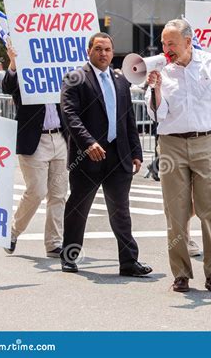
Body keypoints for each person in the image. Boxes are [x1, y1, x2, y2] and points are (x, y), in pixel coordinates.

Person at [146, 19, 211, 293]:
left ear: (188, 41)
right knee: (174, 212)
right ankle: (181, 274)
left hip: (208, 142)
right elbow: (157, 114)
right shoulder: (160, 69)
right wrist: (155, 88)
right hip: (171, 145)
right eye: (164, 43)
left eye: (171, 43)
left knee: (209, 209)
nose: (167, 48)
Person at [60, 32, 152, 277]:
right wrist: (88, 143)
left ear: (113, 52)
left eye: (108, 50)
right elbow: (70, 115)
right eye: (98, 49)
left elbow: (128, 119)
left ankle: (129, 262)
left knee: (121, 211)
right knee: (79, 208)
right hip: (87, 157)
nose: (103, 54)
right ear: (88, 51)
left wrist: (136, 151)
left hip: (118, 156)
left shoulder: (121, 80)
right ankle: (69, 256)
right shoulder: (75, 78)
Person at [2, 45, 68, 258]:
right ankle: (12, 232)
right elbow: (8, 87)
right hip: (34, 140)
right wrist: (13, 62)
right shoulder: (24, 70)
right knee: (36, 191)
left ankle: (54, 243)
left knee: (58, 194)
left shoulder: (60, 70)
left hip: (60, 138)